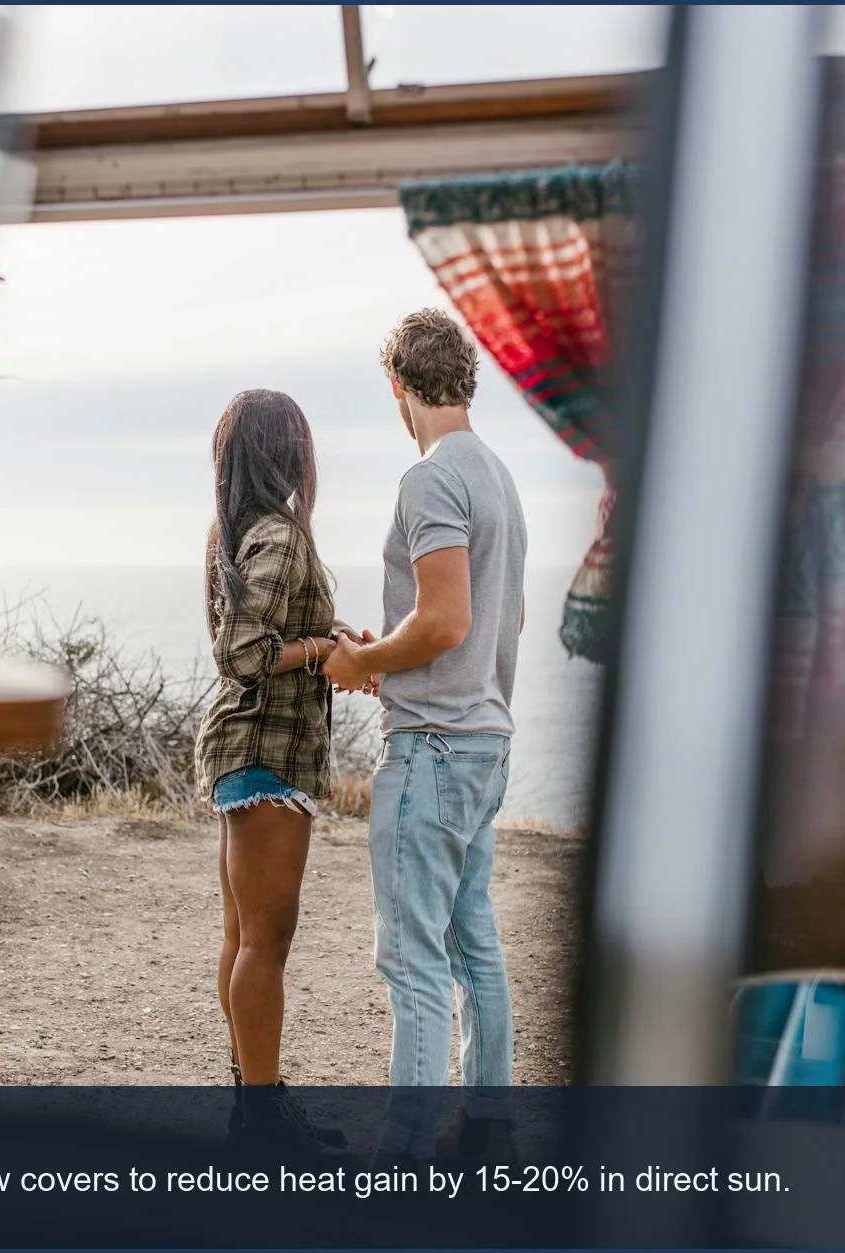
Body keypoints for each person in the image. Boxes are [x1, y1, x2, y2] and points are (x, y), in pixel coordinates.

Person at [322, 310, 528, 1169]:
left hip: (435, 750)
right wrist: (394, 654)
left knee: (411, 964)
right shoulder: (502, 480)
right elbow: (498, 618)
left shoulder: (431, 478)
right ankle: (486, 1128)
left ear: (399, 387)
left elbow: (444, 620)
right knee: (471, 938)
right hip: (486, 740)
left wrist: (363, 658)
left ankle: (400, 1164)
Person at [196, 389, 353, 1157]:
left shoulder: (235, 532)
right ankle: (260, 1117)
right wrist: (321, 650)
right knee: (266, 940)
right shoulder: (282, 536)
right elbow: (244, 652)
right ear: (285, 452)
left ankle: (250, 1104)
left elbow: (261, 633)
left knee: (242, 936)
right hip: (268, 753)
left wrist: (325, 635)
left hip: (243, 754)